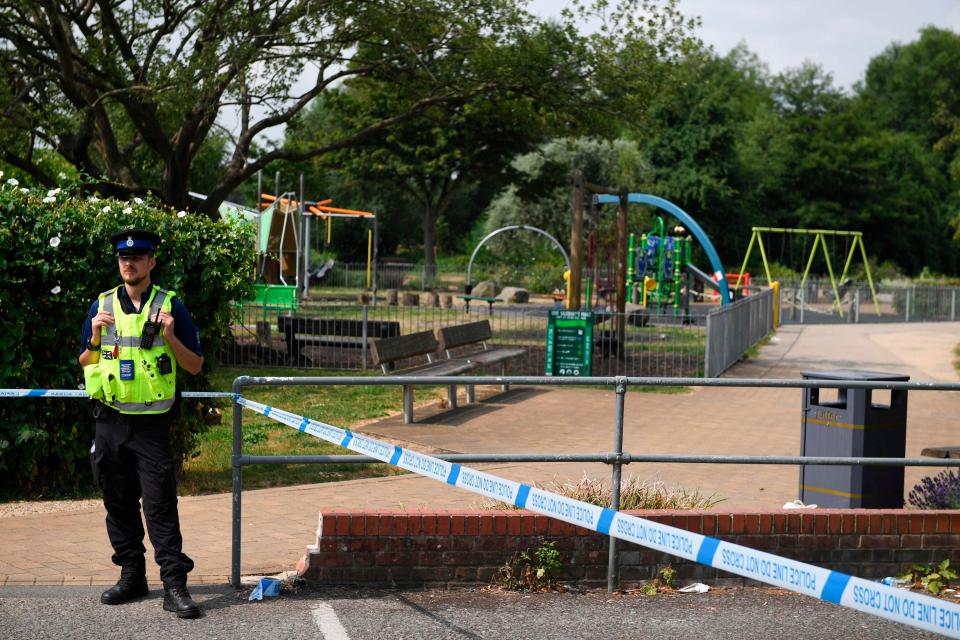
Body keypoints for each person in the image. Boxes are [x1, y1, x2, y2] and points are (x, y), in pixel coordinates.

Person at [78, 229, 204, 618]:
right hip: (110, 421)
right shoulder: (101, 305)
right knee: (117, 502)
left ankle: (174, 587)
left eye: (138, 257)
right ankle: (132, 576)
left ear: (151, 262)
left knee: (160, 505)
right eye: (123, 258)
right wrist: (96, 336)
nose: (129, 263)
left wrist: (169, 335)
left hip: (151, 425)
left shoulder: (170, 306)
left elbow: (195, 365)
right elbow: (85, 360)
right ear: (119, 262)